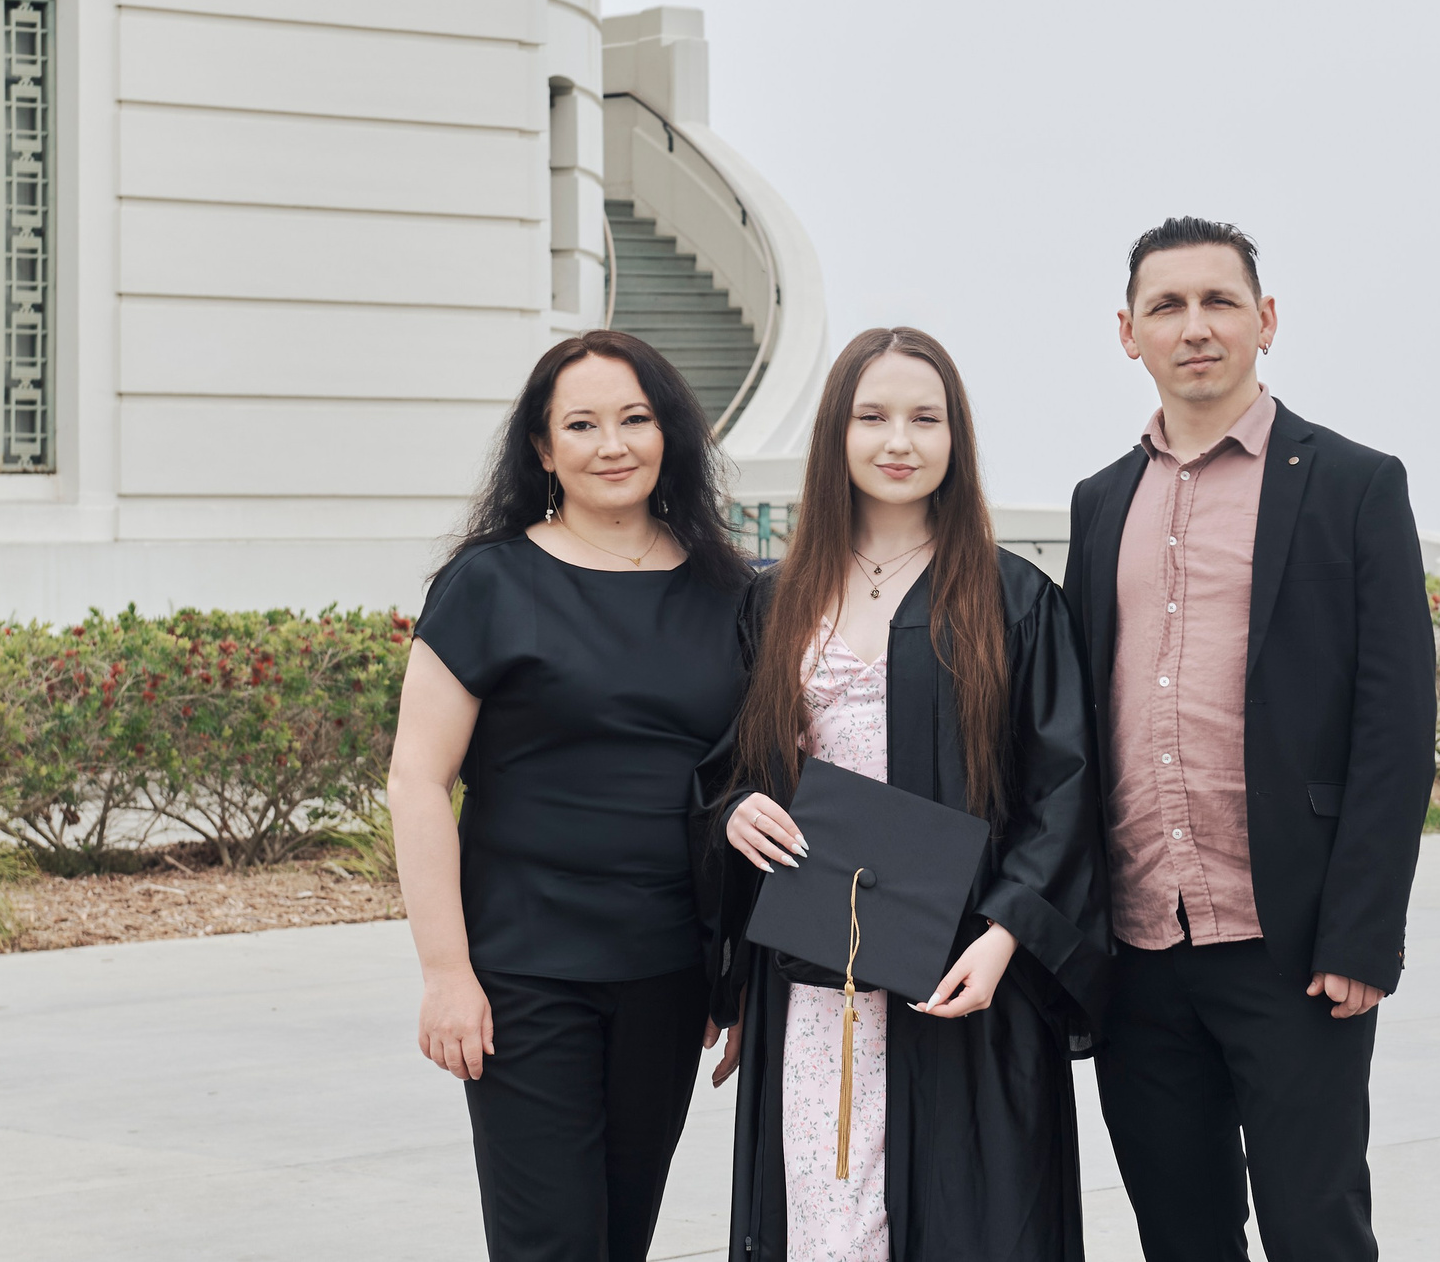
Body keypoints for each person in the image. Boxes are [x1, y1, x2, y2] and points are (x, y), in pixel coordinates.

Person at [1064, 218, 1438, 1262]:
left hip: (1296, 947)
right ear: (1127, 332)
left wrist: (1363, 933)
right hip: (1138, 949)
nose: (1195, 327)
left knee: (1315, 1227)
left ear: (1265, 320)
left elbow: (1396, 723)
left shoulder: (1355, 484)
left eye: (1219, 301)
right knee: (1180, 1234)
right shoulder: (1101, 504)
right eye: (1167, 306)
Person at [699, 326, 1109, 1262]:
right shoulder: (777, 600)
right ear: (835, 435)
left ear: (955, 437)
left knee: (974, 1214)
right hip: (819, 973)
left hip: (967, 965)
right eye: (872, 415)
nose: (899, 439)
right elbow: (733, 768)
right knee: (827, 1207)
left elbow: (1065, 788)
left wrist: (1007, 936)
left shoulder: (1012, 600)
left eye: (926, 417)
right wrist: (735, 813)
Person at [389, 329, 751, 1262]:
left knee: (620, 1238)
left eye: (634, 418)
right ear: (544, 450)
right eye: (581, 424)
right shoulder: (489, 582)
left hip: (670, 973)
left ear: (669, 433)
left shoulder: (729, 589)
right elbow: (418, 781)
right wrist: (445, 974)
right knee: (551, 1242)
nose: (613, 443)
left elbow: (752, 785)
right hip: (523, 972)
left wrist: (741, 974)